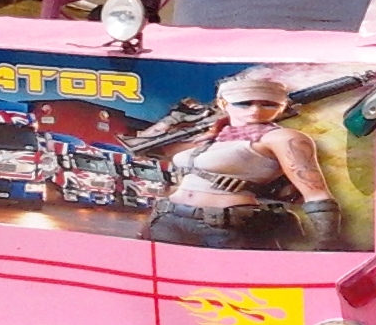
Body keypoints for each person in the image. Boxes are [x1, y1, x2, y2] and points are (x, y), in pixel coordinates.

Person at [145, 77, 342, 250]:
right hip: (167, 217)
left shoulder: (281, 137)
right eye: (244, 103)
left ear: (282, 106)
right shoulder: (208, 135)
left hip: (225, 225)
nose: (256, 110)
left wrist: (327, 240)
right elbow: (144, 147)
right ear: (224, 104)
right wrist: (172, 121)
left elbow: (316, 192)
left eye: (269, 104)